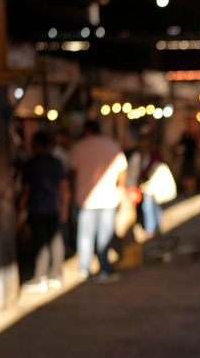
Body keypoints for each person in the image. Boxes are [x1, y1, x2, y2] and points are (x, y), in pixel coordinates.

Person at [69, 120, 128, 282]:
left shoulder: (79, 146)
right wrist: (120, 186)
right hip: (109, 198)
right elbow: (123, 169)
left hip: (85, 198)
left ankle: (84, 268)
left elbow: (72, 171)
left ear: (87, 130)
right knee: (105, 235)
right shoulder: (111, 145)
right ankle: (104, 268)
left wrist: (74, 189)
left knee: (85, 235)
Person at [18, 131, 68, 292]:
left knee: (41, 243)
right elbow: (64, 187)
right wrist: (64, 206)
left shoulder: (31, 164)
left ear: (36, 145)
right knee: (55, 241)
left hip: (38, 207)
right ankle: (56, 275)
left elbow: (26, 189)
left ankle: (41, 277)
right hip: (54, 206)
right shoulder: (56, 163)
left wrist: (20, 209)